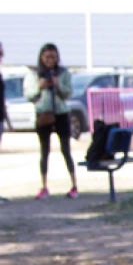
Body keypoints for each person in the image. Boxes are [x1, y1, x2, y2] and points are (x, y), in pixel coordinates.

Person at [23, 43, 78, 199]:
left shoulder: (63, 73)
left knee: (66, 150)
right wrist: (39, 87)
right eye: (47, 57)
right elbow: (29, 95)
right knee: (44, 151)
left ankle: (74, 185)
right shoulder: (34, 74)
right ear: (41, 57)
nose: (50, 60)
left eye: (53, 57)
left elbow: (68, 93)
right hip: (43, 114)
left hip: (61, 113)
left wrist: (58, 84)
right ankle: (44, 186)